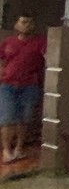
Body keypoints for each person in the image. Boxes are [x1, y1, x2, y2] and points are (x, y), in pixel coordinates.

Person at [0, 13, 48, 164]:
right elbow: (2, 60)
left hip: (29, 86)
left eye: (30, 22)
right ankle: (6, 151)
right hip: (7, 86)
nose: (27, 25)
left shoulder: (40, 42)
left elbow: (48, 57)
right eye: (23, 22)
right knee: (7, 118)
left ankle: (19, 149)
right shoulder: (8, 42)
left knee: (24, 119)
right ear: (16, 25)